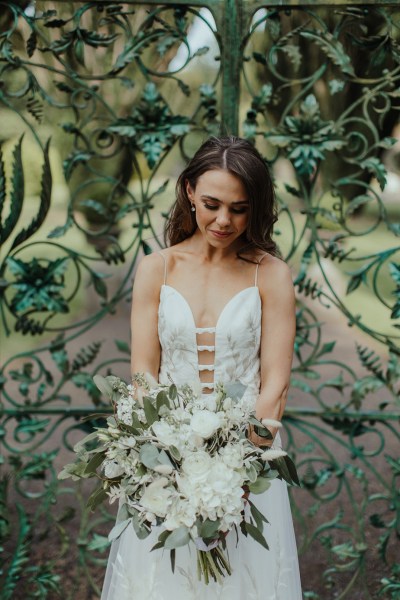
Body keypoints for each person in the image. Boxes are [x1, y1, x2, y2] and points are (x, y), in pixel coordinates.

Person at [101, 136, 302, 599]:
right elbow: (143, 375)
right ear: (189, 191)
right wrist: (162, 461)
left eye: (239, 208)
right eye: (211, 204)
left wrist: (242, 470)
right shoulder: (157, 268)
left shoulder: (270, 273)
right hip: (165, 462)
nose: (223, 220)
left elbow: (276, 382)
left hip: (248, 459)